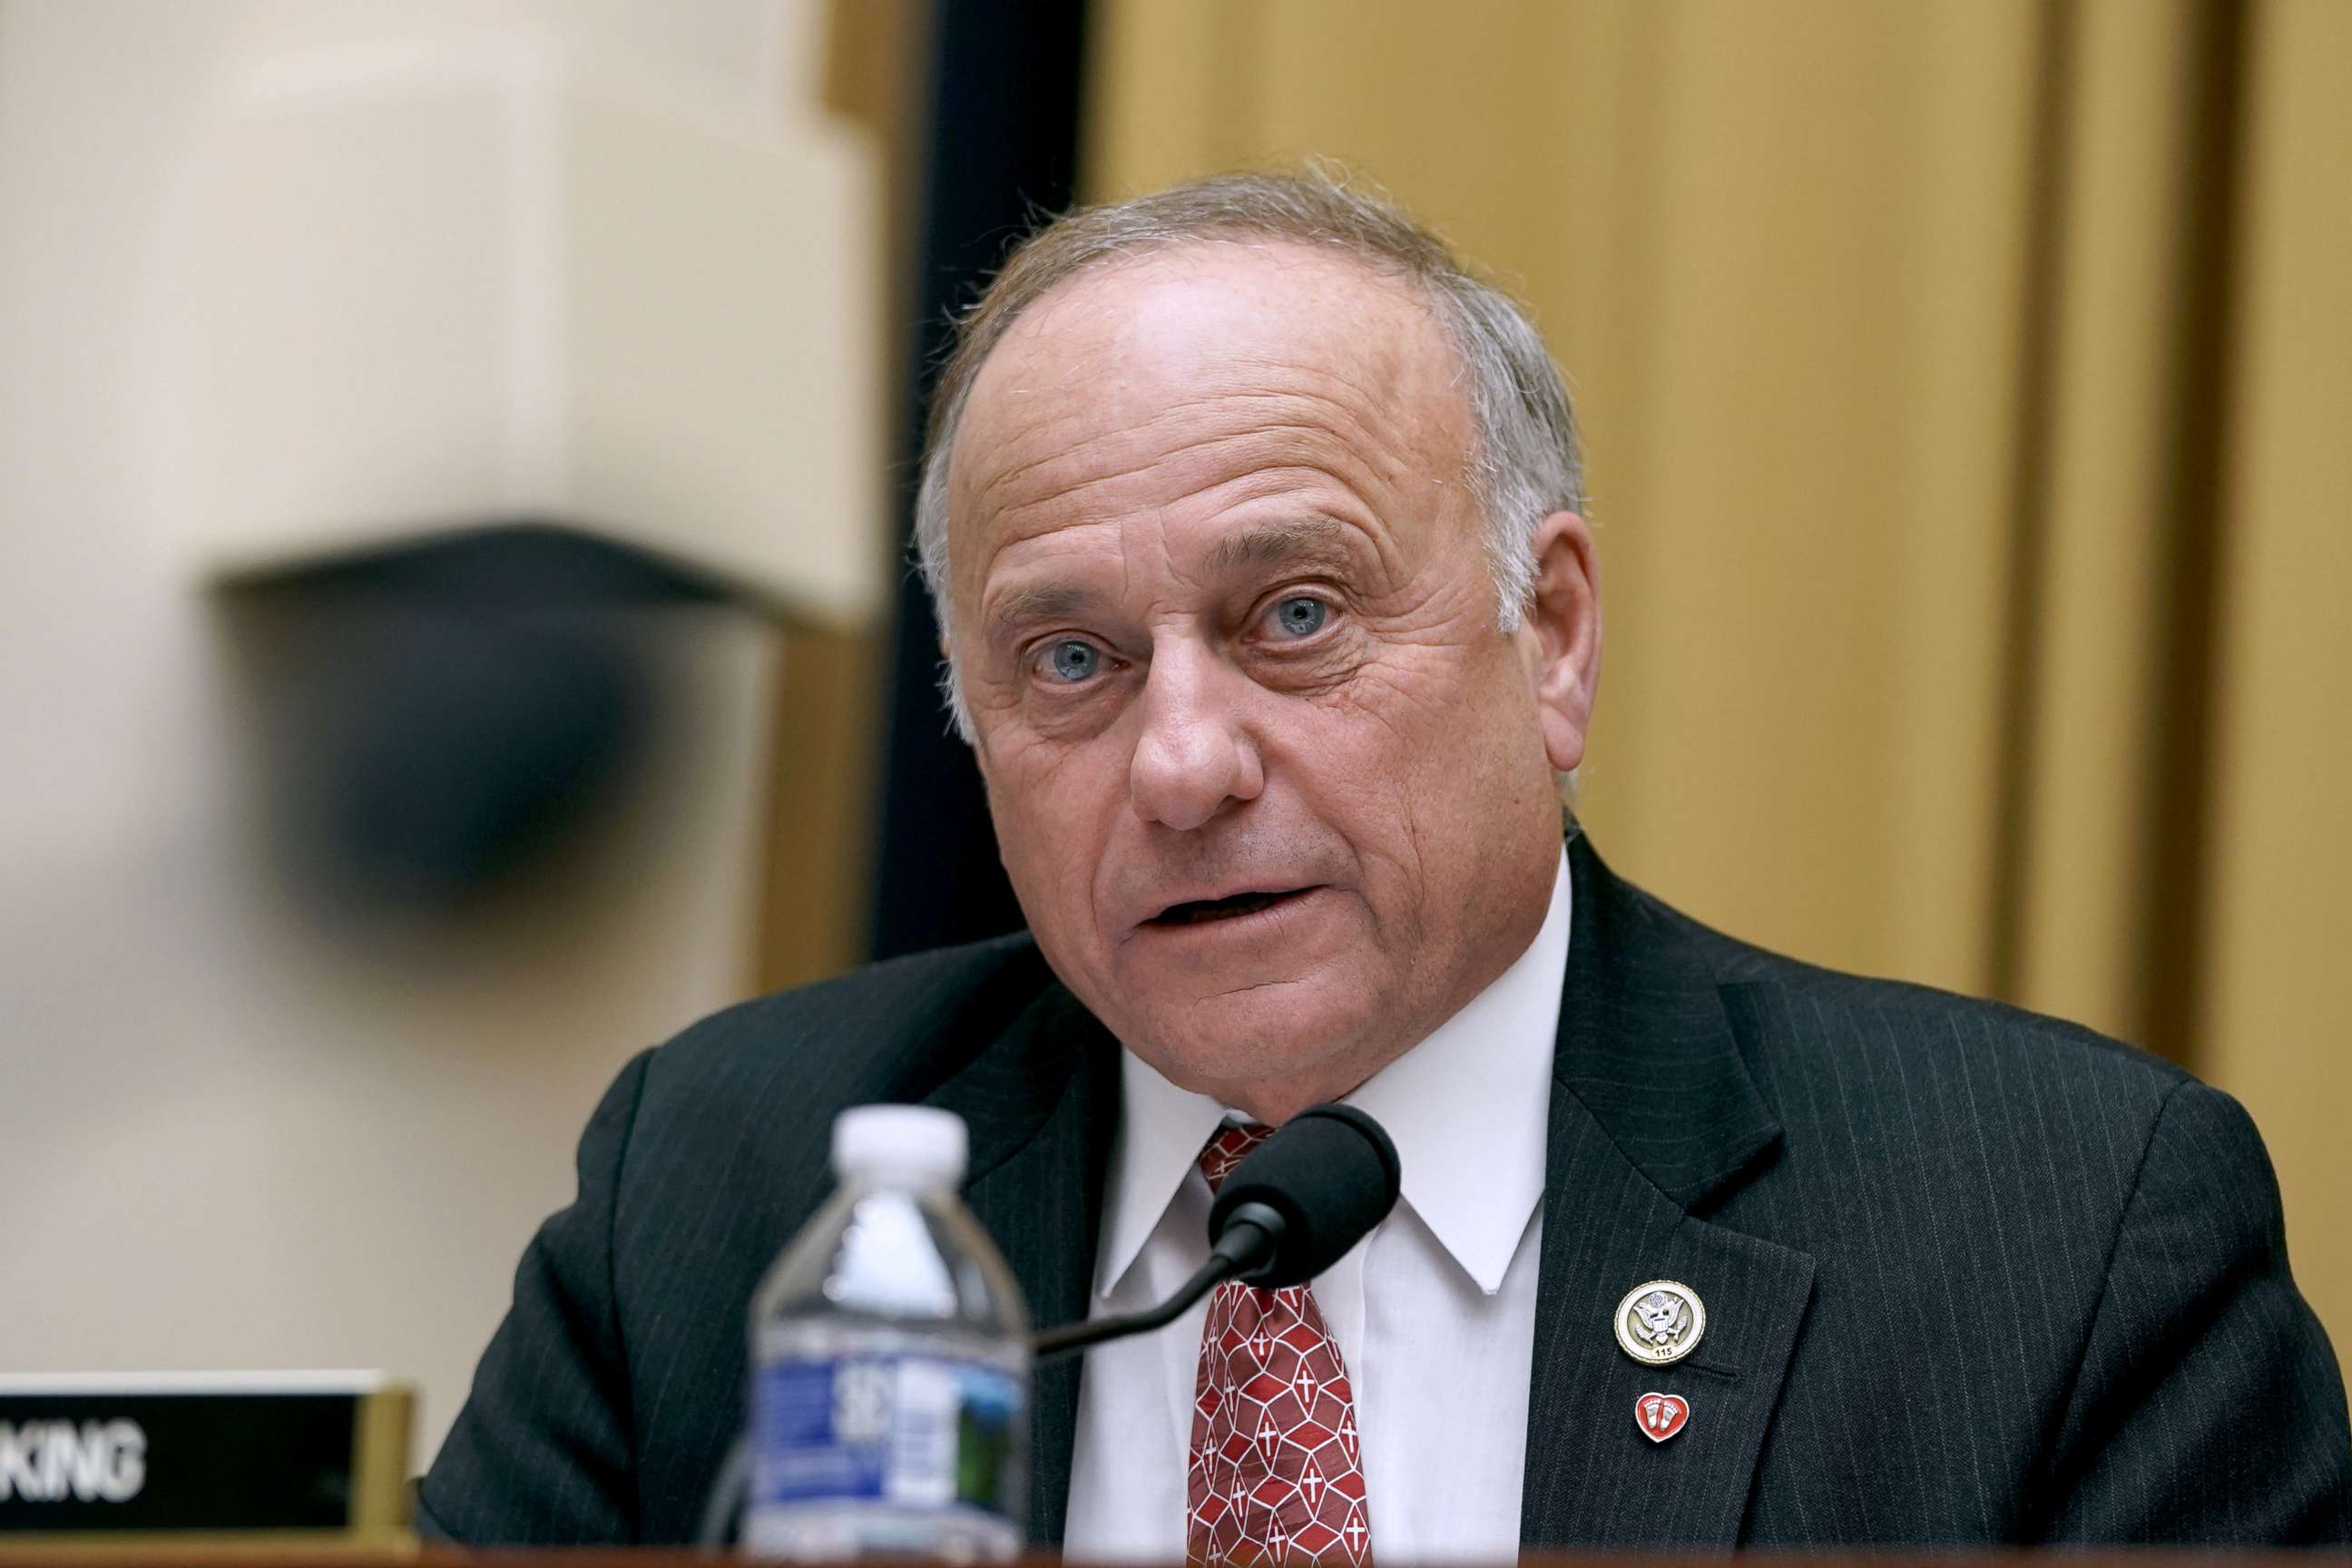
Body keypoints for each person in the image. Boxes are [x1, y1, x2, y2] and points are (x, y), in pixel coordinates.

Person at [416, 170, 2350, 1553]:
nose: (1182, 762)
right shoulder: (724, 1188)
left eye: (1298, 614)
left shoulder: (2058, 1237)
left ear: (1556, 633)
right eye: (1070, 660)